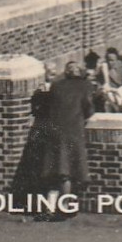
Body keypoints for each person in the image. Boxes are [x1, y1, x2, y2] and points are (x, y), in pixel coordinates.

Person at [36, 62, 95, 216]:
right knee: (66, 171)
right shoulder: (86, 86)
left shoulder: (56, 86)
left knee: (55, 169)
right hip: (73, 131)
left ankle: (49, 207)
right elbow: (88, 108)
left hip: (55, 130)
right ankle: (65, 206)